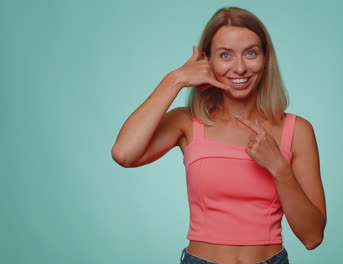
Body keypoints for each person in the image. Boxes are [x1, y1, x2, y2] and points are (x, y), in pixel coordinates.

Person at [111, 7, 327, 264]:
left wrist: (278, 166)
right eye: (225, 55)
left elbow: (312, 237)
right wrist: (176, 78)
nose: (239, 67)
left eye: (250, 53)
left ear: (266, 58)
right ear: (207, 61)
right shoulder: (187, 122)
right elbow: (124, 153)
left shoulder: (298, 130)